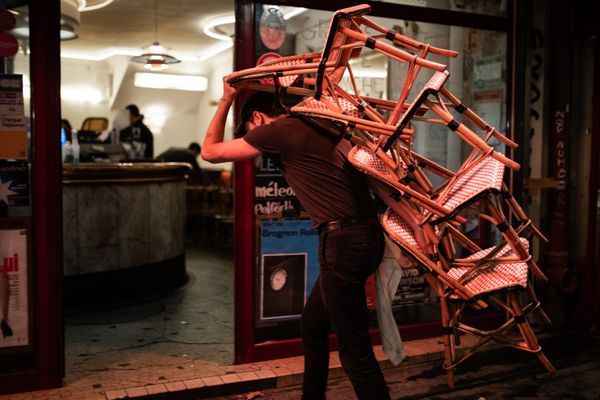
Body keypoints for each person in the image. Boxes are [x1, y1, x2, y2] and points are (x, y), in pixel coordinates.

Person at [202, 79, 431, 399]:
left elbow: (209, 152)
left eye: (251, 130)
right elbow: (374, 180)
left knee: (355, 352)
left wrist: (226, 98)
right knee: (313, 324)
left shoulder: (278, 130)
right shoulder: (326, 126)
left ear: (257, 118)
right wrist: (416, 221)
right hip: (366, 238)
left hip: (343, 244)